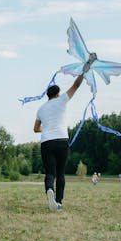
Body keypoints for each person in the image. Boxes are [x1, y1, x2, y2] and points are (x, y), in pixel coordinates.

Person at [33, 56, 94, 211]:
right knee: (61, 173)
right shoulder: (62, 101)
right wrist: (85, 70)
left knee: (50, 173)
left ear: (48, 95)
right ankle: (58, 202)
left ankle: (49, 190)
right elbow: (76, 85)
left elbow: (35, 129)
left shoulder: (41, 109)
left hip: (47, 142)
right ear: (58, 94)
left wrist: (45, 129)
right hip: (61, 140)